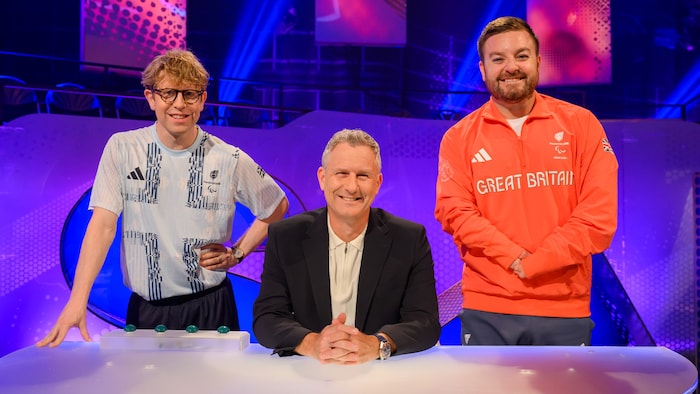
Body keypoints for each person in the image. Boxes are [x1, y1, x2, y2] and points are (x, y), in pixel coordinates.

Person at [37, 49, 289, 347]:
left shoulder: (227, 157)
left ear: (203, 100)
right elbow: (102, 225)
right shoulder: (123, 148)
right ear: (151, 97)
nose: (179, 104)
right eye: (169, 93)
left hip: (211, 306)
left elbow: (276, 205)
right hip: (146, 310)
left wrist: (238, 252)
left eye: (190, 94)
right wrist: (77, 300)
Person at [434, 16, 618, 346]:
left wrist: (537, 262)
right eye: (498, 58)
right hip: (486, 308)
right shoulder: (458, 138)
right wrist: (513, 257)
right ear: (482, 69)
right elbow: (454, 213)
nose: (510, 67)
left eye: (521, 55)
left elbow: (598, 217)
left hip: (565, 307)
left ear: (538, 62)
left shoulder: (581, 125)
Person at [253, 128, 440, 364]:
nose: (351, 187)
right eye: (341, 173)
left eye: (362, 176)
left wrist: (377, 344)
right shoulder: (287, 236)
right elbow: (267, 318)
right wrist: (313, 343)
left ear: (377, 183)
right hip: (311, 372)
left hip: (382, 374)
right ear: (322, 178)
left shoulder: (409, 238)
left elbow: (425, 322)